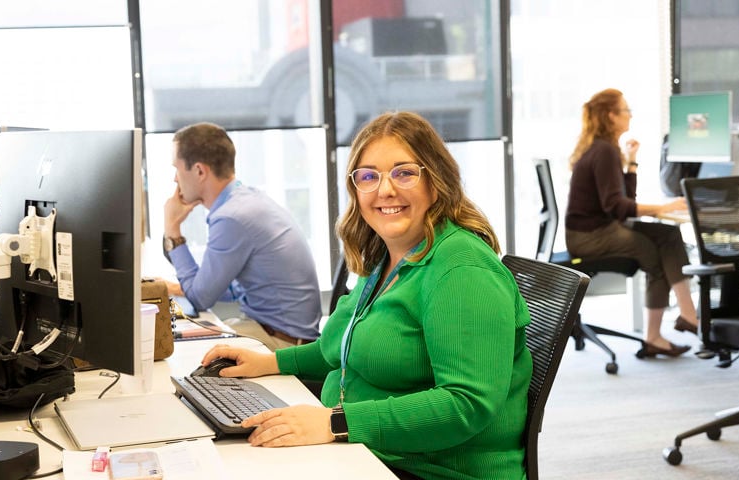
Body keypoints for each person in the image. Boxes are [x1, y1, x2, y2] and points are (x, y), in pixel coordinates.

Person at [198, 111, 533, 479]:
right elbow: (343, 346)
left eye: (404, 173)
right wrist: (270, 363)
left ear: (436, 182)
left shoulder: (461, 269)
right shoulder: (392, 255)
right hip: (367, 453)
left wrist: (334, 423)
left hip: (429, 470)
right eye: (369, 176)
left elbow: (466, 404)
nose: (385, 190)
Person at [565, 88, 700, 357]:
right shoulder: (604, 151)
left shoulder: (605, 148)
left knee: (668, 235)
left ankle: (687, 313)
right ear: (610, 116)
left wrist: (632, 164)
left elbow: (624, 200)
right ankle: (656, 335)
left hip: (597, 228)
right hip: (591, 235)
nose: (630, 116)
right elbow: (617, 208)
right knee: (653, 253)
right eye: (626, 111)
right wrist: (664, 206)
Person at [163, 122, 321, 349]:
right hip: (273, 329)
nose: (175, 179)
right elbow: (235, 288)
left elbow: (200, 299)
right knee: (191, 337)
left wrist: (172, 230)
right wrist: (182, 287)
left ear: (199, 171)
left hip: (282, 342)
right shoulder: (244, 200)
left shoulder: (231, 217)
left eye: (176, 169)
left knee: (186, 347)